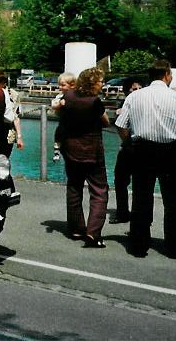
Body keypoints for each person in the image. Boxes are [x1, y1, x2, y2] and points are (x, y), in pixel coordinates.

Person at [115, 59, 176, 259]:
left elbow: (120, 124)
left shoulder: (134, 97)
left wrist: (128, 143)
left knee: (141, 198)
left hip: (142, 150)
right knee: (173, 201)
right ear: (166, 75)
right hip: (170, 151)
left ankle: (138, 245)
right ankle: (174, 247)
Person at [59, 67, 110, 248]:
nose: (102, 84)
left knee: (74, 188)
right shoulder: (95, 101)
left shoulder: (69, 97)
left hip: (71, 148)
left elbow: (62, 114)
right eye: (100, 81)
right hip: (92, 150)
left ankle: (76, 228)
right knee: (99, 191)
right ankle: (93, 233)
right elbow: (106, 121)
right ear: (92, 83)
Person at [110, 78, 144, 224]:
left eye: (139, 88)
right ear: (125, 91)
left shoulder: (143, 104)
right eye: (133, 89)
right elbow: (116, 123)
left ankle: (137, 214)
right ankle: (122, 212)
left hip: (138, 148)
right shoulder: (123, 104)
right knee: (120, 181)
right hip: (126, 148)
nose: (137, 92)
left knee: (139, 183)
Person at [0, 70, 24, 153]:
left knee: (4, 161)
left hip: (8, 135)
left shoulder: (13, 95)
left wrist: (19, 137)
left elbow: (16, 117)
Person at [50, 72, 76, 162]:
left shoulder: (77, 96)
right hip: (64, 122)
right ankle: (56, 151)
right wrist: (60, 105)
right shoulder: (60, 96)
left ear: (72, 85)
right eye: (60, 85)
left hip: (73, 124)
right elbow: (53, 105)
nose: (60, 87)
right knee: (59, 133)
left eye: (63, 85)